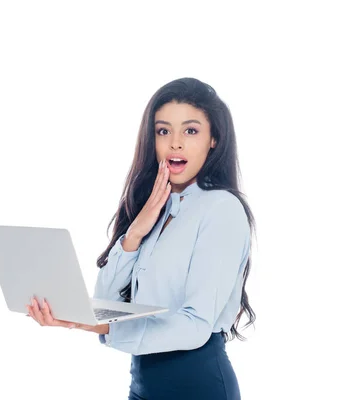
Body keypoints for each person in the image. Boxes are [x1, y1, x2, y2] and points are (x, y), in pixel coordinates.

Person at [26, 77, 256, 399]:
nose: (175, 143)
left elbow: (195, 325)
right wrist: (135, 232)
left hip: (198, 386)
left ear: (213, 139)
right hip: (142, 385)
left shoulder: (222, 210)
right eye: (164, 131)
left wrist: (100, 326)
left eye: (190, 131)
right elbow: (108, 300)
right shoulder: (155, 210)